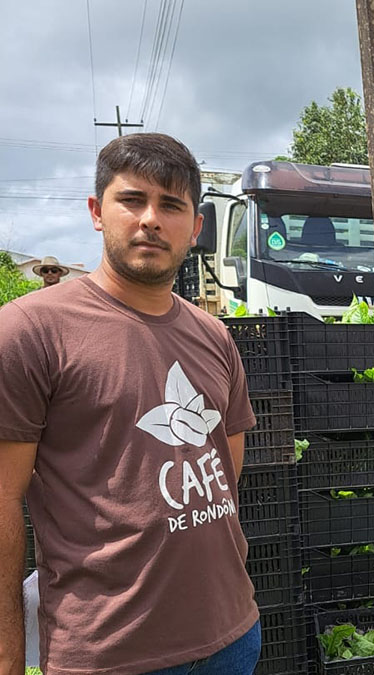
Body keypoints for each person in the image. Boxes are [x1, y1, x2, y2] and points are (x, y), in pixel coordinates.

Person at [0, 133, 261, 674]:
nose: (150, 219)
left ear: (196, 226)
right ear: (97, 212)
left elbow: (224, 469)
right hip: (110, 653)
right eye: (132, 200)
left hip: (232, 638)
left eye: (171, 205)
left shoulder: (214, 336)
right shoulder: (29, 332)